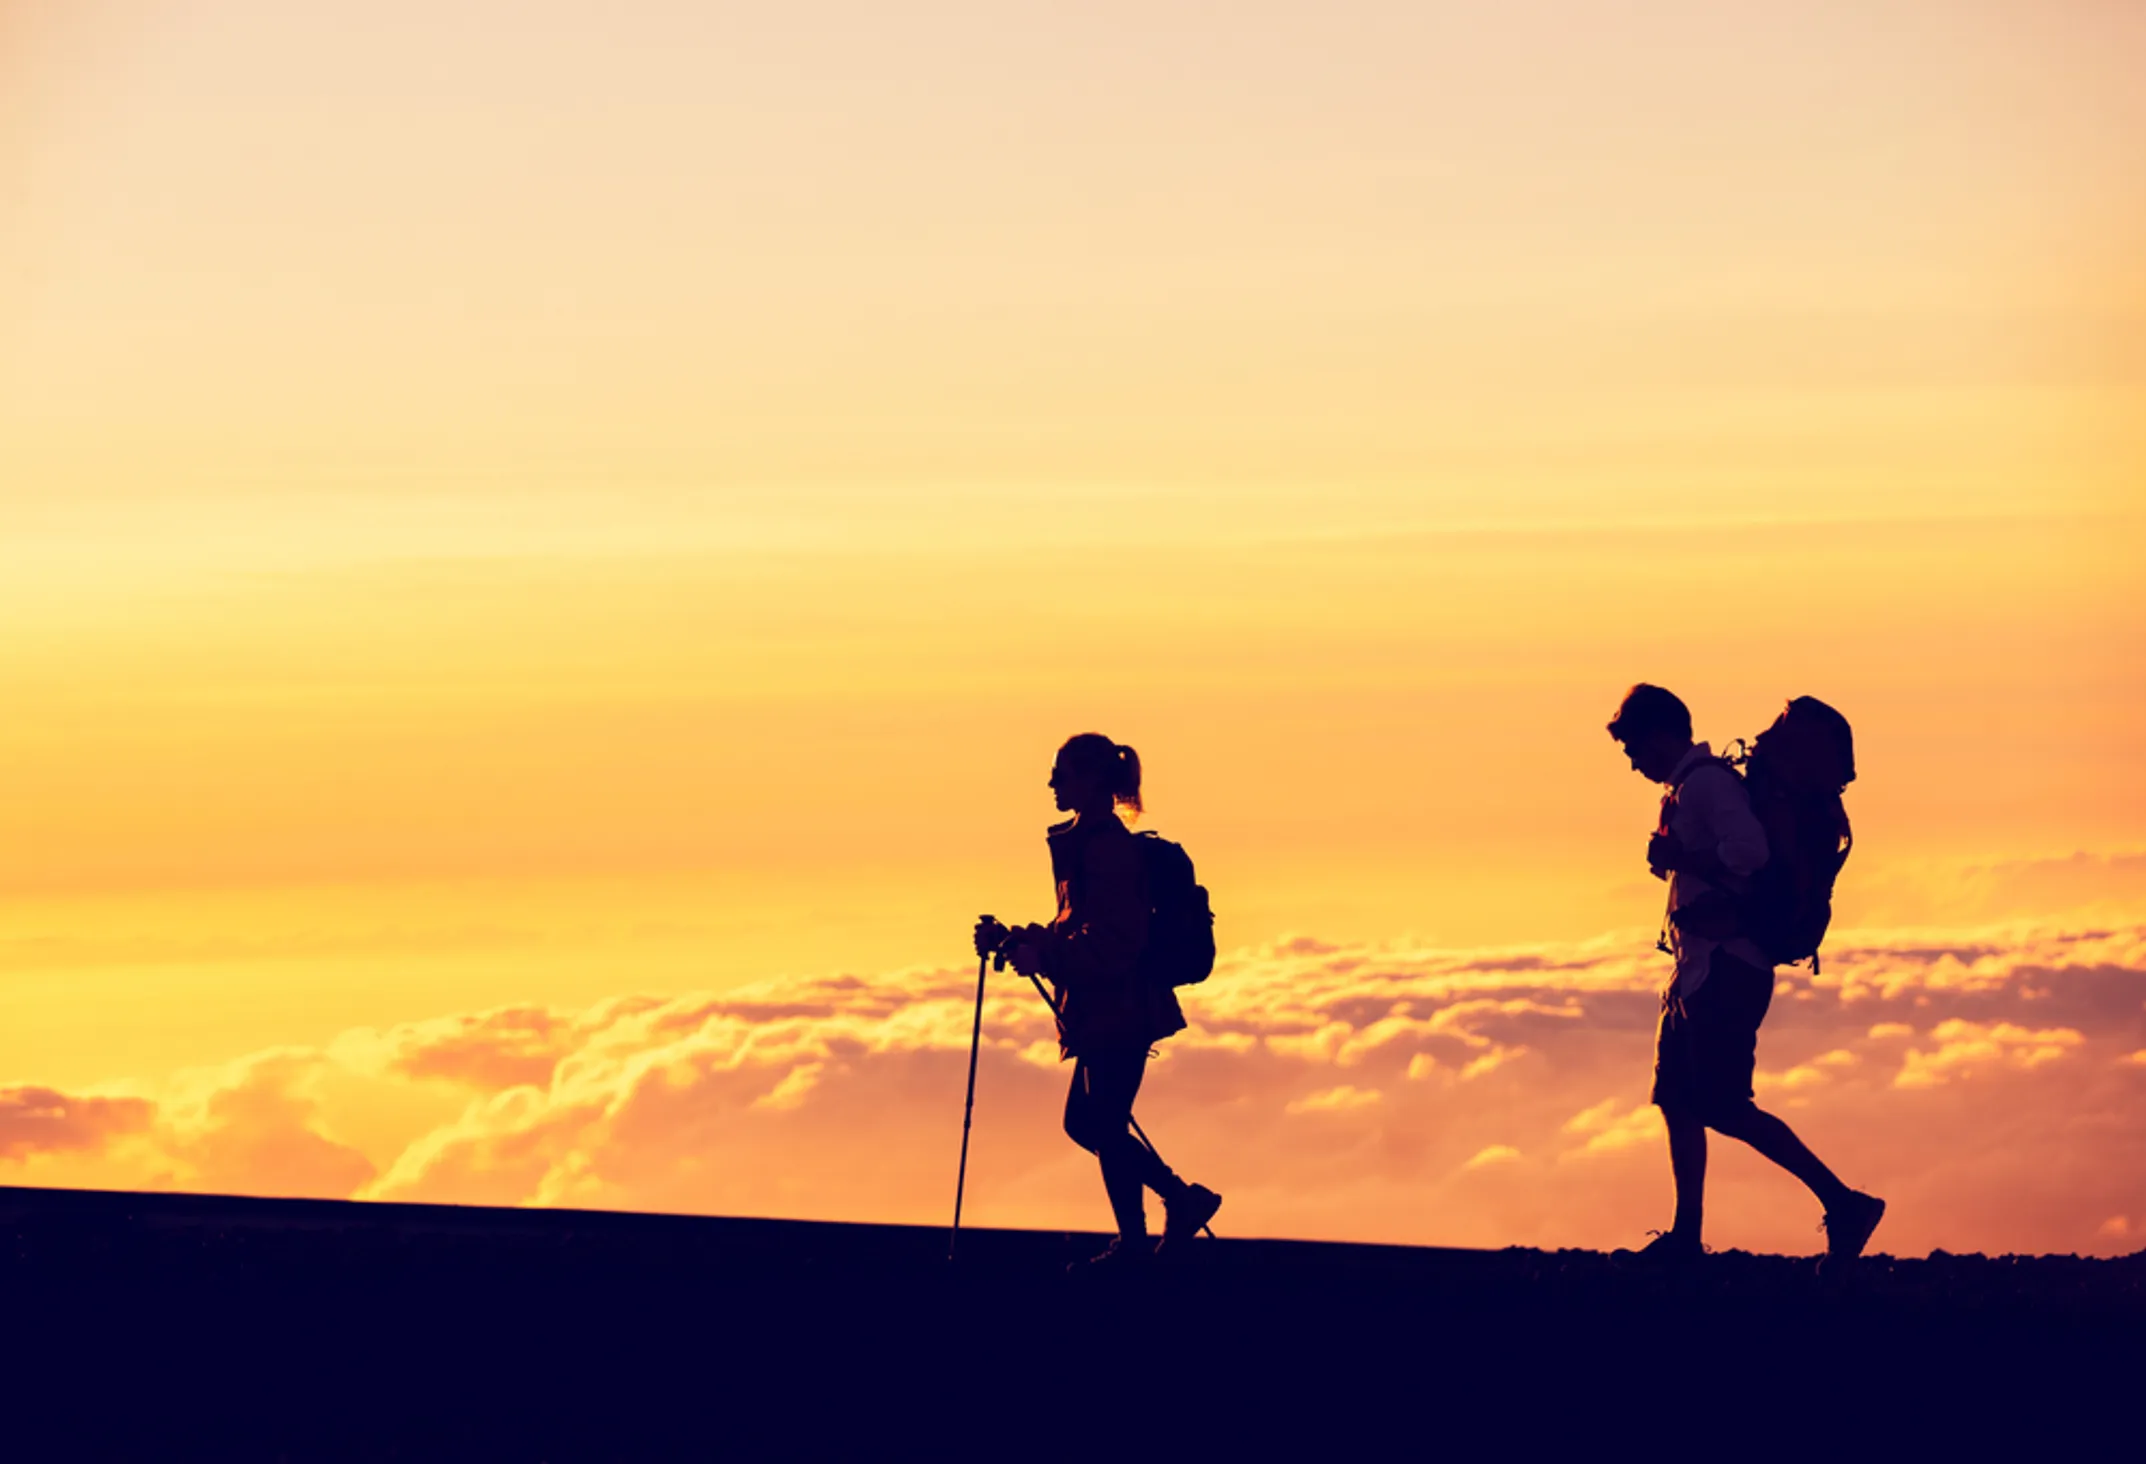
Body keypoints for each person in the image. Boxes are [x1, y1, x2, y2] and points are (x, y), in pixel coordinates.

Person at [1606, 684, 1885, 1268]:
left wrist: (1684, 859)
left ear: (1662, 735)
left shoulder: (1706, 785)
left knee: (1723, 1104)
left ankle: (1844, 1202)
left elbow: (1749, 854)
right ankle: (1686, 1235)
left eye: (1634, 746)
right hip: (1697, 966)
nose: (1633, 761)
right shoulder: (1689, 787)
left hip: (1729, 966)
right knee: (1677, 1099)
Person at [973, 734, 1222, 1269]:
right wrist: (1020, 940)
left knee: (1098, 1125)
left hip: (1121, 1008)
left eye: (1061, 773)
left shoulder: (1107, 849)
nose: (1052, 783)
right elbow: (1077, 929)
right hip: (1108, 1008)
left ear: (1090, 781)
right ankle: (1156, 1222)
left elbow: (1113, 942)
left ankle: (1166, 1216)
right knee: (1097, 1124)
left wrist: (1043, 957)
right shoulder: (1089, 843)